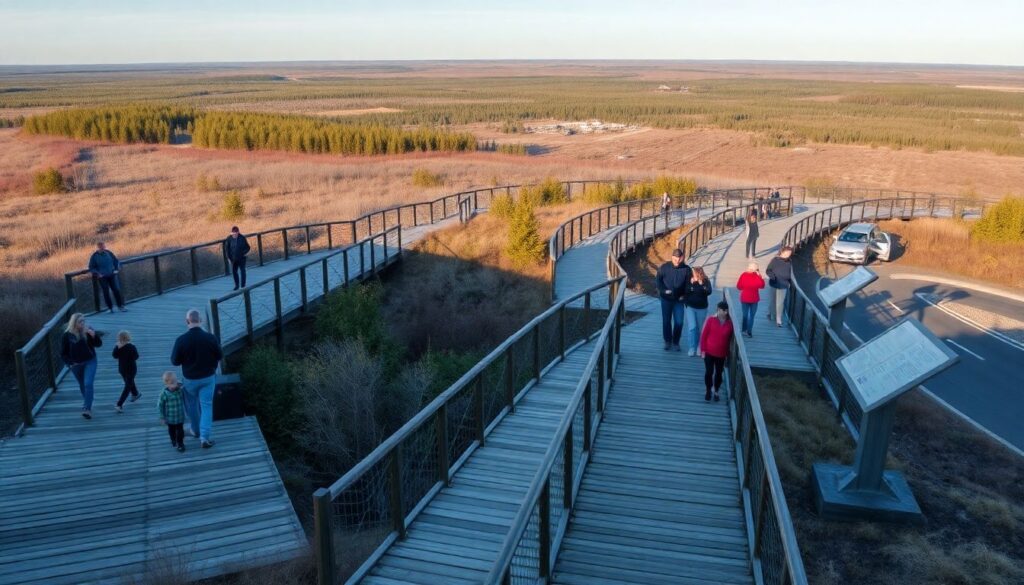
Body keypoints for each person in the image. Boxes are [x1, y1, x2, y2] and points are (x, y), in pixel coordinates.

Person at [170, 309, 223, 449]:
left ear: (187, 321)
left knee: (192, 406)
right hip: (208, 378)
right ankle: (204, 438)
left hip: (190, 380)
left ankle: (195, 430)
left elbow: (174, 361)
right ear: (201, 320)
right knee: (206, 407)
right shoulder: (211, 338)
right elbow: (219, 355)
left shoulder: (181, 340)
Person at [60, 313, 102, 419]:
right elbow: (63, 353)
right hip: (76, 365)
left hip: (90, 361)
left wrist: (94, 336)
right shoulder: (67, 335)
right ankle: (88, 401)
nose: (83, 323)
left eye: (83, 321)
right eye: (80, 322)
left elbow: (98, 344)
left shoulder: (88, 330)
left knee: (88, 383)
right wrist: (70, 362)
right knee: (83, 385)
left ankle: (87, 409)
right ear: (74, 323)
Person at [655, 249, 691, 351]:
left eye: (679, 259)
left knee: (679, 322)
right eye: (675, 259)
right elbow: (658, 281)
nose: (677, 261)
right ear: (672, 257)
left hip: (679, 300)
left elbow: (688, 285)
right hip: (666, 299)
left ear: (682, 258)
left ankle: (676, 342)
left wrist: (685, 296)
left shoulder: (687, 269)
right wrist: (663, 291)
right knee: (666, 321)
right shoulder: (664, 267)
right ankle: (667, 341)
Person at [699, 301, 733, 402]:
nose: (718, 312)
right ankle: (708, 390)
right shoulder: (711, 320)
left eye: (721, 310)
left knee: (718, 373)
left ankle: (716, 390)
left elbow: (731, 339)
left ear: (726, 311)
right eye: (718, 310)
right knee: (709, 372)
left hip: (721, 354)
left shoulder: (730, 324)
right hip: (709, 352)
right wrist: (703, 350)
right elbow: (704, 336)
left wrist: (728, 353)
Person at [681, 266, 713, 357]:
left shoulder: (706, 281)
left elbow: (709, 291)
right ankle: (692, 347)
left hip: (702, 308)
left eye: (694, 272)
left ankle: (700, 346)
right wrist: (691, 284)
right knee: (692, 327)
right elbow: (685, 291)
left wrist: (701, 284)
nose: (692, 274)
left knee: (700, 328)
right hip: (690, 307)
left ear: (698, 273)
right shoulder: (689, 280)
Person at [88, 242, 126, 313]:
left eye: (104, 247)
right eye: (101, 247)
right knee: (106, 292)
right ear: (98, 248)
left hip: (112, 275)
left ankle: (120, 306)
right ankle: (110, 308)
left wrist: (116, 269)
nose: (103, 248)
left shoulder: (109, 253)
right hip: (102, 277)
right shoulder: (94, 256)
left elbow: (116, 261)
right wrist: (98, 274)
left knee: (116, 290)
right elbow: (91, 267)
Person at [158, 371, 187, 453]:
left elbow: (184, 385)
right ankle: (173, 440)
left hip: (180, 417)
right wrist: (162, 417)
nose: (175, 384)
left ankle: (180, 444)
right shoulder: (164, 394)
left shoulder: (180, 389)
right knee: (171, 430)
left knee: (180, 431)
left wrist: (179, 384)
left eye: (175, 381)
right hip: (170, 418)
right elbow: (160, 405)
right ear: (166, 384)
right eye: (172, 383)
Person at [112, 330, 141, 413]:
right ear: (128, 338)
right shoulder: (132, 346)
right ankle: (121, 403)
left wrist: (117, 348)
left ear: (119, 338)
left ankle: (133, 395)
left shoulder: (118, 346)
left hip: (122, 369)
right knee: (128, 384)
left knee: (128, 384)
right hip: (131, 369)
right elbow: (136, 357)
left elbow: (114, 355)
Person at [766, 246, 794, 328]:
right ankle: (771, 313)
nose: (788, 255)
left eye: (789, 253)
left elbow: (791, 273)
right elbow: (768, 270)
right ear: (782, 252)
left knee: (780, 303)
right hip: (774, 283)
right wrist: (772, 277)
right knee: (772, 300)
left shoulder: (790, 262)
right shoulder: (775, 260)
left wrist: (790, 282)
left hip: (784, 284)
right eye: (787, 253)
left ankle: (779, 319)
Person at [736, 262, 765, 338]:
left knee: (746, 315)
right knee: (751, 316)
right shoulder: (757, 276)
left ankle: (745, 330)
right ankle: (748, 331)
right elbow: (762, 286)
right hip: (753, 299)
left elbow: (739, 287)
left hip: (746, 298)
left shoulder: (744, 275)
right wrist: (760, 276)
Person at [223, 226, 251, 290]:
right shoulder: (229, 238)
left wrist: (244, 253)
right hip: (233, 258)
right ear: (231, 233)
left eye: (236, 233)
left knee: (242, 271)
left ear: (238, 232)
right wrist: (228, 258)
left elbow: (248, 247)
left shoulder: (242, 238)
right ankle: (237, 285)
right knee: (234, 272)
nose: (234, 235)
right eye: (233, 233)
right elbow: (227, 249)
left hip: (242, 258)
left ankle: (243, 285)